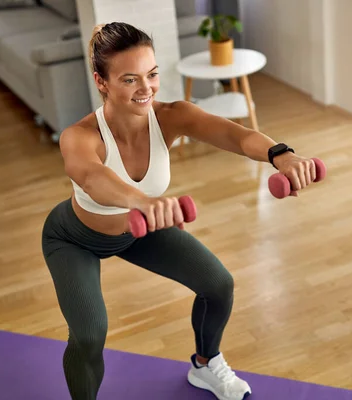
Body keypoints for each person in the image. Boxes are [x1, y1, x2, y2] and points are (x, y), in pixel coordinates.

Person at [41, 22, 317, 400]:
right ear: (101, 81)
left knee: (218, 286)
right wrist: (141, 200)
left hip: (140, 229)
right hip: (75, 238)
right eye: (129, 79)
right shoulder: (80, 136)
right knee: (89, 334)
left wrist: (281, 155)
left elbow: (236, 135)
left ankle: (205, 365)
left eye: (152, 75)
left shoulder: (170, 116)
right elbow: (91, 176)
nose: (146, 89)